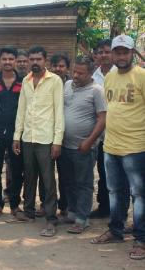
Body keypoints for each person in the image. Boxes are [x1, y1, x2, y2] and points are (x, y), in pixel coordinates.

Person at [91, 35, 145, 261]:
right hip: (111, 145)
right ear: (112, 54)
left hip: (136, 146)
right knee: (115, 191)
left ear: (133, 53)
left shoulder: (142, 76)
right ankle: (116, 230)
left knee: (140, 195)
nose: (121, 56)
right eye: (117, 52)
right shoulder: (110, 77)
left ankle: (141, 240)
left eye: (125, 52)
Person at [12, 46, 64, 237]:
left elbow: (59, 112)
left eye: (38, 59)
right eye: (32, 59)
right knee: (30, 176)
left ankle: (51, 219)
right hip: (27, 138)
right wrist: (17, 136)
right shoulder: (26, 81)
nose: (34, 62)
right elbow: (21, 110)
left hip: (46, 139)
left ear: (45, 60)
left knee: (48, 180)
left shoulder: (55, 81)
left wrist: (57, 140)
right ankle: (29, 213)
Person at [60, 56, 106, 234]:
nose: (76, 75)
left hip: (84, 147)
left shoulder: (97, 90)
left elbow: (102, 119)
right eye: (75, 71)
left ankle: (82, 218)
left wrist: (90, 141)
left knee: (84, 183)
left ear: (91, 72)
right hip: (65, 145)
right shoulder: (67, 85)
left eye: (81, 73)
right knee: (68, 181)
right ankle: (72, 212)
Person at [0, 46, 23, 218]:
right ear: (0, 60)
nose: (8, 62)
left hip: (17, 134)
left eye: (11, 59)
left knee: (17, 170)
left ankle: (16, 205)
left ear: (15, 61)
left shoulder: (23, 81)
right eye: (4, 59)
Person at [90, 39, 116, 219]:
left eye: (108, 51)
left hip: (120, 134)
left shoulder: (122, 74)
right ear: (96, 55)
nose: (104, 55)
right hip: (100, 135)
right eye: (101, 52)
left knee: (119, 176)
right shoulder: (93, 77)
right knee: (102, 172)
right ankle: (104, 208)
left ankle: (118, 212)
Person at [49, 52, 71, 216]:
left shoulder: (72, 85)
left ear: (67, 68)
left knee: (66, 174)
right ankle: (47, 204)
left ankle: (65, 206)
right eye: (55, 66)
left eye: (61, 66)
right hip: (48, 135)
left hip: (68, 137)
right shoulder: (47, 83)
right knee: (47, 173)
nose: (58, 69)